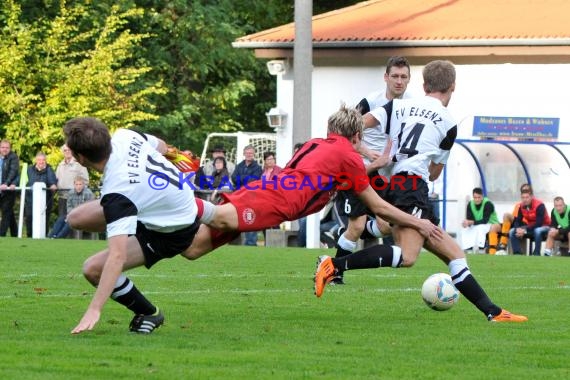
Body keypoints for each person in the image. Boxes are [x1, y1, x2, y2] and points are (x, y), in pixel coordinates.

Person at [66, 106, 443, 335]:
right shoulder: (347, 156)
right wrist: (421, 224)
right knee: (206, 220)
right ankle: (169, 210)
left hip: (266, 191)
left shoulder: (321, 143)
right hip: (264, 202)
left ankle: (163, 217)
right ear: (356, 135)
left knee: (194, 248)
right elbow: (377, 204)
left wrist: (369, 161)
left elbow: (337, 168)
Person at [313, 60, 527, 322]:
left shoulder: (396, 106)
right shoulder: (449, 122)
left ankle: (493, 312)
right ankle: (333, 265)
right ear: (452, 87)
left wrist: (358, 149)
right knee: (407, 256)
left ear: (423, 85)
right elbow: (435, 171)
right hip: (412, 187)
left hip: (401, 186)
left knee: (456, 255)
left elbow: (359, 124)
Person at [63, 117, 202, 335]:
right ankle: (126, 222)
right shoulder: (125, 135)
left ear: (80, 158)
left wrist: (94, 309)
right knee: (75, 218)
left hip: (172, 231)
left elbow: (117, 257)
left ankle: (149, 313)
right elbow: (163, 147)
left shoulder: (118, 194)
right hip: (163, 202)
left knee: (93, 269)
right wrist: (176, 156)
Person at [332, 56, 412, 284]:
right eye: (394, 76)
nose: (399, 81)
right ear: (386, 77)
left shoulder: (413, 104)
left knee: (387, 226)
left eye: (403, 77)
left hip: (389, 172)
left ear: (409, 80)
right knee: (357, 225)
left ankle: (342, 236)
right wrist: (368, 154)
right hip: (364, 168)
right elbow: (345, 130)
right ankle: (335, 272)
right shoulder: (369, 102)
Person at [54, 144, 89, 235]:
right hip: (62, 196)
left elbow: (85, 180)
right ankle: (57, 238)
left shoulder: (79, 164)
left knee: (74, 219)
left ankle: (71, 239)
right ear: (63, 152)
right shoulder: (60, 165)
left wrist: (78, 191)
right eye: (65, 150)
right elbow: (56, 180)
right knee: (62, 218)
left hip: (75, 197)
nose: (67, 152)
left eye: (69, 150)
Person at [232, 145, 262, 246]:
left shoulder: (257, 168)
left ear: (254, 155)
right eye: (247, 153)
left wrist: (241, 178)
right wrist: (246, 179)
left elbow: (254, 180)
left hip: (251, 197)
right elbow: (233, 178)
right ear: (244, 154)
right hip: (239, 196)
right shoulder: (239, 166)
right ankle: (236, 242)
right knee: (238, 218)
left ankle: (251, 243)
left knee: (250, 218)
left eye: (251, 153)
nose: (249, 155)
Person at [457, 187, 501, 254]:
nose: (477, 199)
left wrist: (471, 222)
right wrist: (466, 223)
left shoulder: (488, 204)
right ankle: (468, 250)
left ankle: (481, 249)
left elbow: (485, 220)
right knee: (466, 229)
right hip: (478, 224)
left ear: (482, 197)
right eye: (475, 197)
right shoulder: (470, 204)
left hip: (491, 224)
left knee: (480, 228)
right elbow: (470, 218)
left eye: (479, 197)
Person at [24, 152, 58, 237]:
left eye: (43, 160)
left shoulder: (49, 170)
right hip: (30, 199)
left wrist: (53, 185)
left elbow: (52, 181)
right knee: (29, 218)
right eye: (39, 160)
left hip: (45, 200)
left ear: (46, 161)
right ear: (36, 160)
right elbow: (24, 182)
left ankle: (43, 236)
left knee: (44, 219)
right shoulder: (29, 169)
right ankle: (29, 236)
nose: (41, 162)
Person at [492, 183, 532, 255]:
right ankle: (492, 253)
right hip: (514, 224)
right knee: (494, 227)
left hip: (524, 224)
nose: (525, 192)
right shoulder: (518, 205)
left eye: (527, 190)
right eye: (523, 191)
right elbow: (513, 218)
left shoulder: (532, 204)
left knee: (506, 215)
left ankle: (503, 245)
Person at [509, 189, 551, 256]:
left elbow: (538, 224)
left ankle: (536, 253)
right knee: (512, 231)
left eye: (527, 197)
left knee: (537, 230)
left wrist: (524, 230)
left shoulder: (540, 205)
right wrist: (517, 229)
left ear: (531, 197)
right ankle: (517, 253)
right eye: (523, 197)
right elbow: (517, 220)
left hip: (545, 226)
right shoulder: (521, 206)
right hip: (531, 226)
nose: (525, 199)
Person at [0, 140, 20, 237]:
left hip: (8, 190)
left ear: (10, 148)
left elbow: (13, 172)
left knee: (6, 212)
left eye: (7, 147)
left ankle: (1, 235)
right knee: (9, 213)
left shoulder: (13, 157)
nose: (4, 149)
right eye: (3, 147)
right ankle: (14, 234)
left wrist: (6, 184)